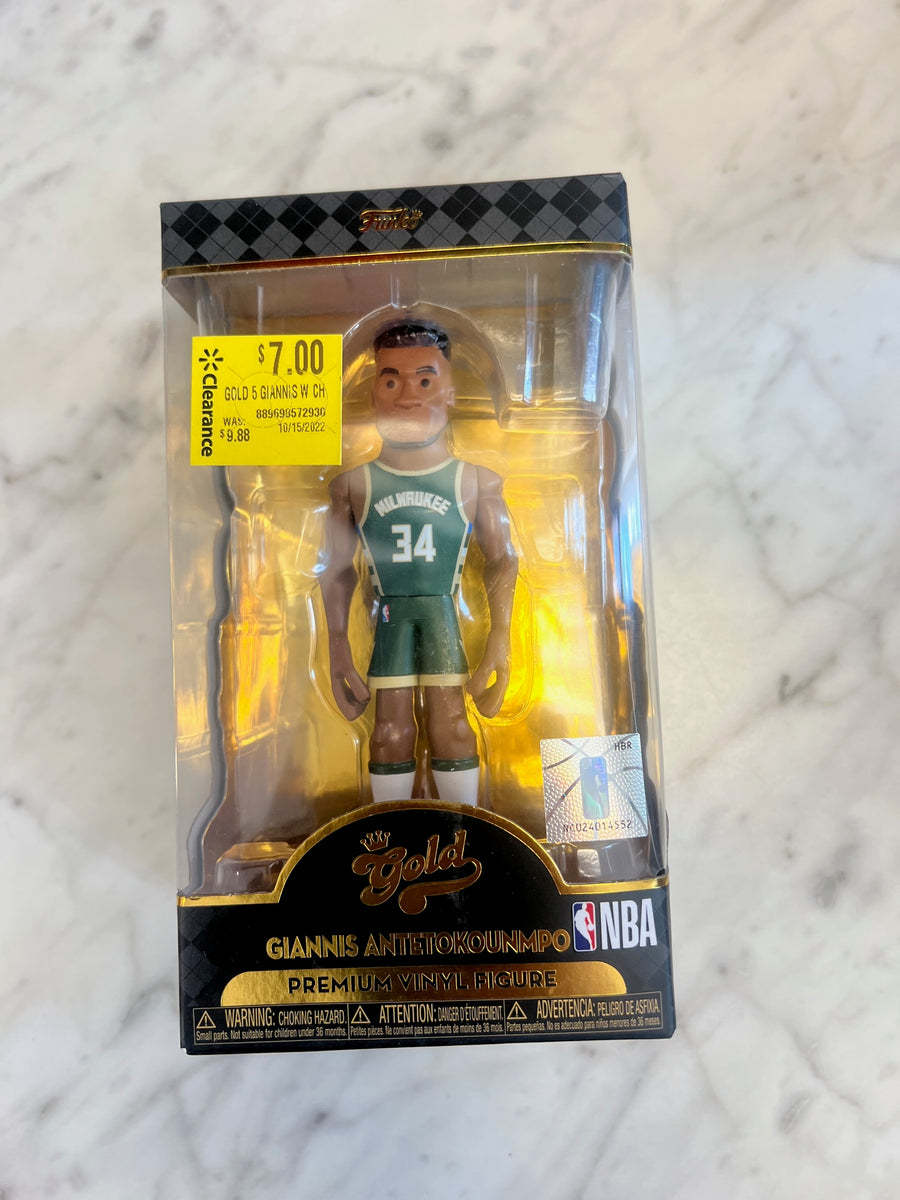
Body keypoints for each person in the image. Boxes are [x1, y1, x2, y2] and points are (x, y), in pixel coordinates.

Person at [322, 319, 518, 806]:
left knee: (452, 725)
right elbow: (337, 569)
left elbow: (503, 561)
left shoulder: (477, 481)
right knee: (389, 732)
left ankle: (464, 830)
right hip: (391, 615)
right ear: (373, 392)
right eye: (391, 381)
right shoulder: (352, 485)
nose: (408, 395)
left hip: (441, 615)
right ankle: (389, 830)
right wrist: (337, 644)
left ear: (450, 392)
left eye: (425, 380)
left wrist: (500, 637)